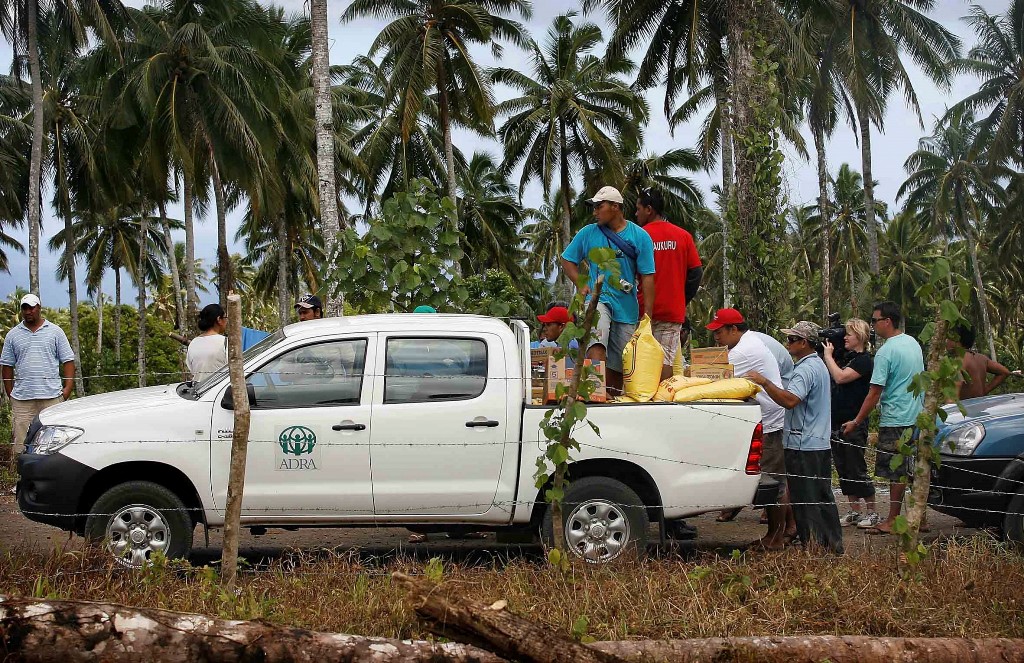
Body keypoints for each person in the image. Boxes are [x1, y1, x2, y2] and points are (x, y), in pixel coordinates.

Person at [746, 321, 843, 554]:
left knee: (805, 500)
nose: (787, 343)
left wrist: (765, 382)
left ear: (804, 343)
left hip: (803, 445)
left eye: (792, 340)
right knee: (821, 497)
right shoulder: (818, 365)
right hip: (817, 443)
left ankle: (815, 548)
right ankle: (832, 545)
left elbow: (790, 400)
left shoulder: (805, 370)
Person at [706, 308, 791, 545]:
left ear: (734, 329)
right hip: (770, 418)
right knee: (778, 479)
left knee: (773, 482)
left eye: (719, 331)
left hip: (770, 422)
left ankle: (775, 537)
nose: (716, 337)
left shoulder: (743, 351)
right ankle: (789, 528)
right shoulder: (751, 340)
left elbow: (711, 379)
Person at [560, 185, 656, 396]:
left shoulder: (639, 236)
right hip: (598, 299)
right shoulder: (588, 233)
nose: (595, 212)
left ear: (615, 206)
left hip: (627, 306)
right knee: (597, 342)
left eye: (599, 207)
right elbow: (567, 260)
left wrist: (648, 313)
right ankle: (595, 393)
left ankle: (610, 397)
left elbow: (647, 276)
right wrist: (580, 283)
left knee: (619, 360)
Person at [841, 301, 924, 535]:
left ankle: (892, 520)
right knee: (914, 469)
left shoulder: (886, 351)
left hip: (896, 417)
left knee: (895, 472)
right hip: (916, 415)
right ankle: (920, 517)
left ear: (887, 321)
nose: (873, 325)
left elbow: (874, 392)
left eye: (875, 320)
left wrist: (857, 421)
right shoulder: (913, 343)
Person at [634, 188, 703, 380]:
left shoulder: (638, 236)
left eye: (638, 208)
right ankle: (661, 402)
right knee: (666, 360)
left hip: (640, 311)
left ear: (649, 209)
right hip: (672, 311)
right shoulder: (683, 236)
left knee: (640, 360)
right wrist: (682, 298)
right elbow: (696, 273)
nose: (636, 213)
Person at [1, 294, 75, 462]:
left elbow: (68, 361)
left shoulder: (55, 331)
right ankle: (20, 481)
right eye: (25, 308)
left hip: (51, 398)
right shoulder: (13, 335)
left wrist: (67, 389)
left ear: (39, 308)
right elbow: (7, 366)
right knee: (21, 445)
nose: (28, 311)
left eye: (32, 307)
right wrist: (11, 394)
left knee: (55, 443)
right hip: (22, 401)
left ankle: (54, 478)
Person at [823, 318, 878, 528]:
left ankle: (872, 511)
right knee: (843, 467)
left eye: (849, 334)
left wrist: (828, 356)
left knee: (857, 467)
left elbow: (840, 377)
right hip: (838, 420)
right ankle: (854, 510)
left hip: (855, 421)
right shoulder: (845, 358)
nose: (845, 337)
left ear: (860, 337)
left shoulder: (864, 361)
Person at [949, 324, 1010, 400]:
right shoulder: (981, 358)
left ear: (957, 339)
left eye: (948, 338)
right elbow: (1005, 372)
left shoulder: (959, 361)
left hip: (967, 409)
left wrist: (949, 408)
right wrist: (985, 390)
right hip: (981, 405)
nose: (946, 341)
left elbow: (952, 394)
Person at [186, 304, 228, 385]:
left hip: (197, 391)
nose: (226, 321)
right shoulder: (225, 342)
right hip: (220, 391)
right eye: (225, 318)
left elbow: (191, 368)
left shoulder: (194, 343)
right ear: (219, 319)